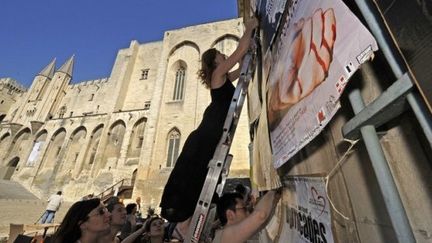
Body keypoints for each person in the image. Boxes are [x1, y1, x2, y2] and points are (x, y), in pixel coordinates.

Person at [160, 16, 259, 233]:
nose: (223, 55)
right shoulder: (217, 73)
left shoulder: (222, 76)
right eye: (220, 55)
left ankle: (184, 222)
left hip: (212, 126)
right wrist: (250, 28)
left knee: (199, 174)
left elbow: (241, 64)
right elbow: (239, 52)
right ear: (215, 62)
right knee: (196, 171)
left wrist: (249, 49)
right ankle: (181, 220)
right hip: (211, 127)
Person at [212, 190, 281, 243]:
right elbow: (261, 215)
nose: (248, 212)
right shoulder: (224, 238)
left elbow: (261, 223)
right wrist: (273, 191)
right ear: (230, 215)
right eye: (244, 209)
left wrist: (275, 198)